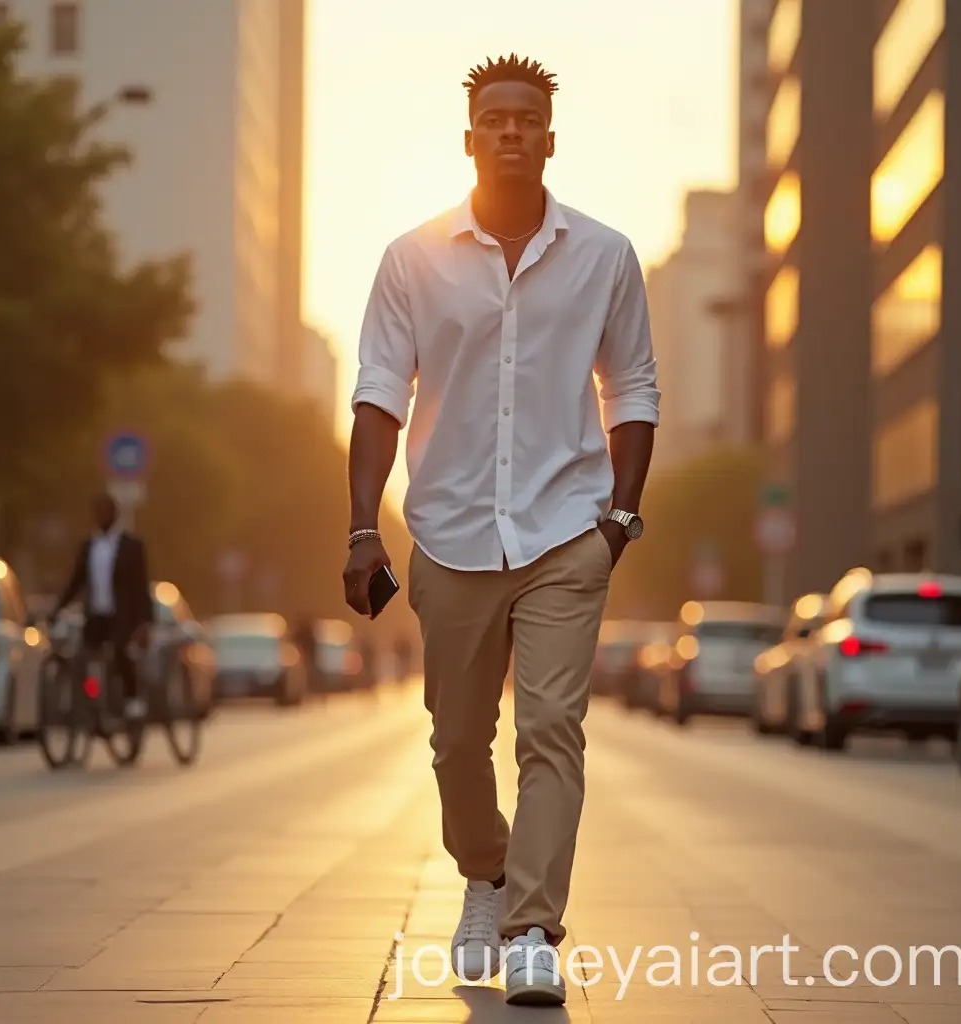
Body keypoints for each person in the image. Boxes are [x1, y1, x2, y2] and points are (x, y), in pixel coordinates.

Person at [343, 54, 658, 1006]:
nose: (513, 131)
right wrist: (365, 530)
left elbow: (633, 386)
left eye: (529, 119)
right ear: (470, 138)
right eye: (496, 119)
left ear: (550, 138)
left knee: (552, 729)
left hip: (569, 531)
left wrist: (620, 519)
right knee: (455, 739)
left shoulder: (606, 255)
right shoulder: (412, 258)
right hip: (449, 532)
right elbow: (376, 396)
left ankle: (531, 926)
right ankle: (483, 875)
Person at [49, 492, 154, 720]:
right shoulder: (89, 547)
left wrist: (146, 623)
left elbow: (141, 585)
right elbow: (76, 582)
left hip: (123, 616)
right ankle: (93, 697)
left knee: (121, 653)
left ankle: (131, 698)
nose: (102, 517)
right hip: (96, 615)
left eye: (106, 512)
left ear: (115, 515)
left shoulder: (132, 546)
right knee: (84, 659)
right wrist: (57, 610)